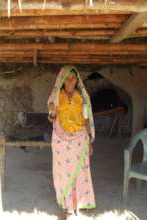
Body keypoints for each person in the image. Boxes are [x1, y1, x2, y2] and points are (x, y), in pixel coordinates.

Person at [47, 65, 95, 219]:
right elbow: (51, 117)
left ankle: (80, 202)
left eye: (73, 78)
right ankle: (68, 208)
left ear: (77, 80)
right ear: (61, 80)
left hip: (79, 140)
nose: (70, 81)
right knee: (64, 175)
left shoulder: (81, 98)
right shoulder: (55, 97)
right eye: (67, 78)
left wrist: (89, 141)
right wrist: (53, 113)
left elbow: (86, 119)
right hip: (61, 142)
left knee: (79, 173)